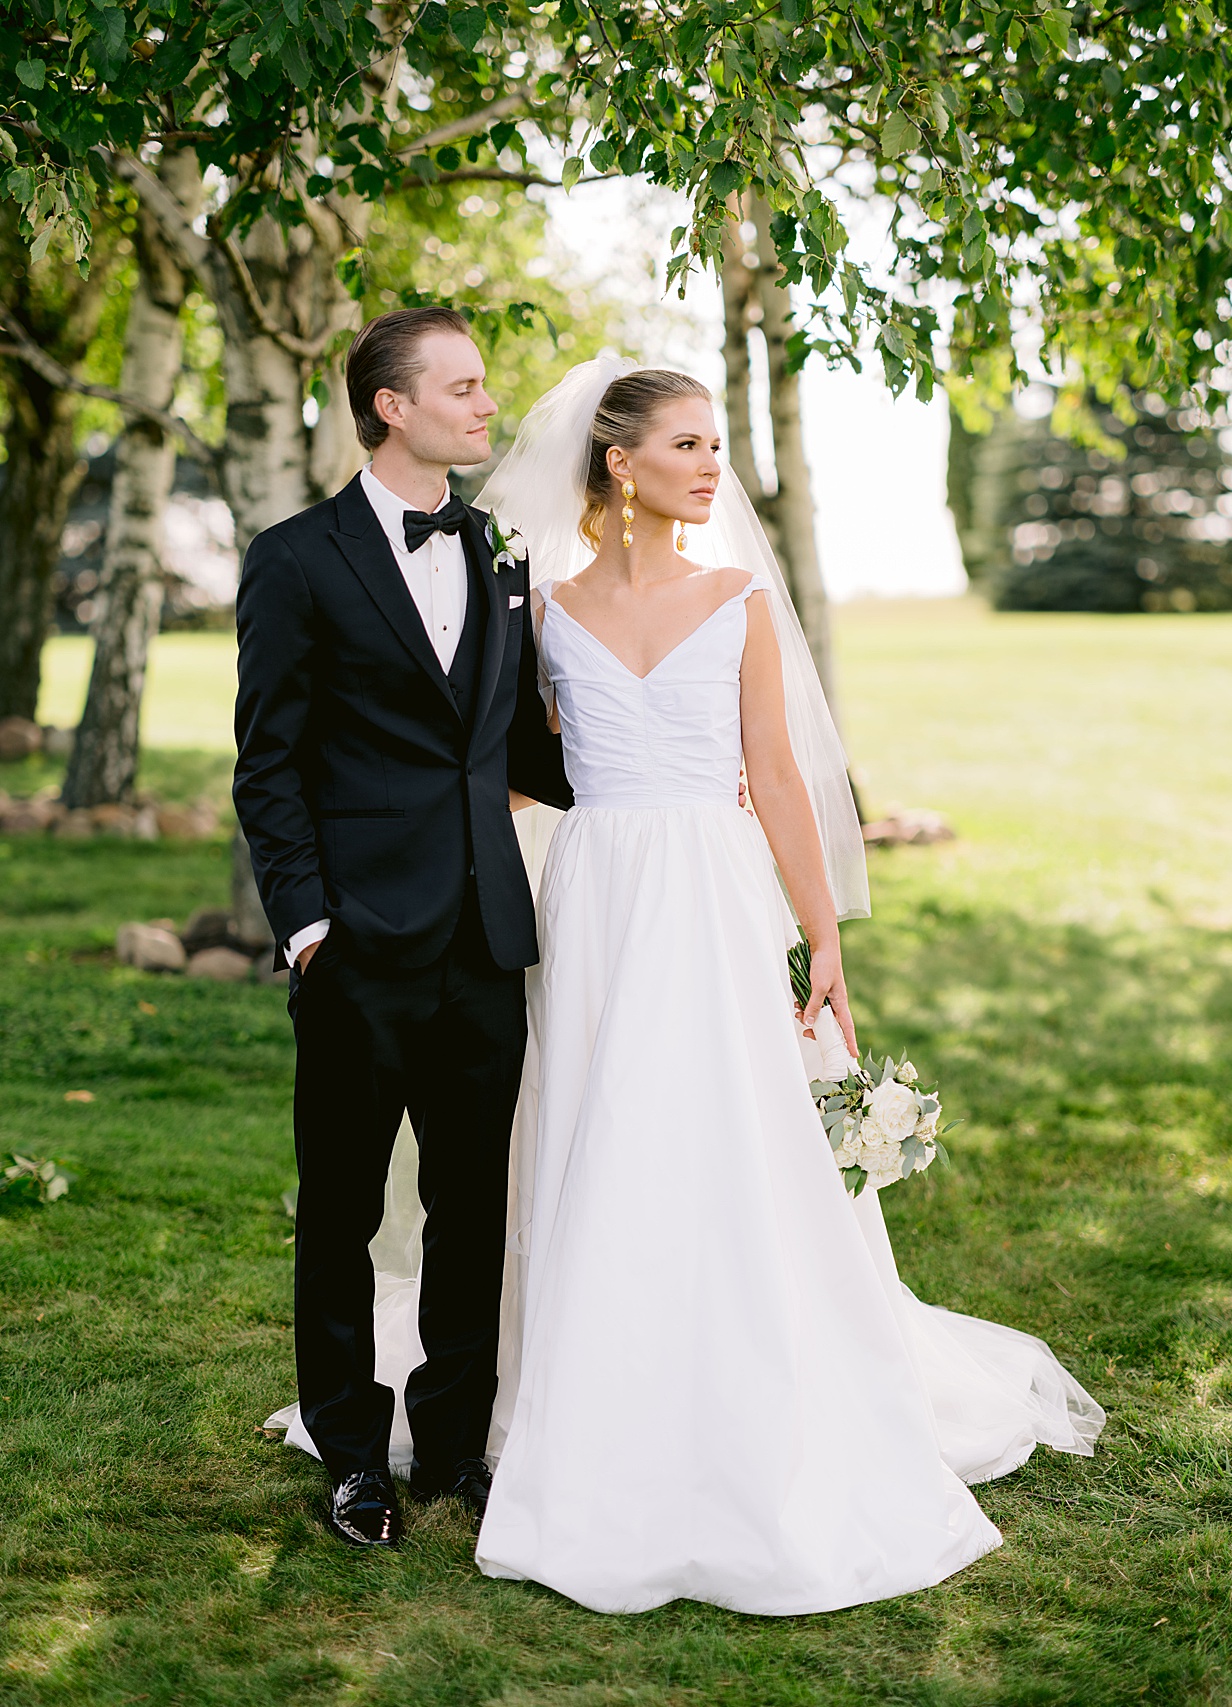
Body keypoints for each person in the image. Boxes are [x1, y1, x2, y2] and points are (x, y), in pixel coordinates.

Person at [461, 359, 1105, 1614]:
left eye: (716, 445)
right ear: (617, 464)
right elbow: (530, 765)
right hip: (593, 892)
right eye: (688, 445)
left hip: (711, 887)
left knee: (728, 1131)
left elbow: (784, 776)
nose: (713, 466)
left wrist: (822, 937)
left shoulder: (736, 597)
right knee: (598, 1123)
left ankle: (758, 1380)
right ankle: (596, 1391)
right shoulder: (540, 607)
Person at [233, 308, 573, 1550]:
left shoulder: (499, 551)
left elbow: (524, 744)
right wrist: (308, 925)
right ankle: (349, 1453)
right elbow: (265, 761)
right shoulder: (296, 558)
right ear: (393, 405)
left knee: (471, 1205)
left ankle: (450, 1445)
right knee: (342, 1205)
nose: (489, 407)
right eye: (465, 388)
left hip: (485, 934)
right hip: (357, 942)